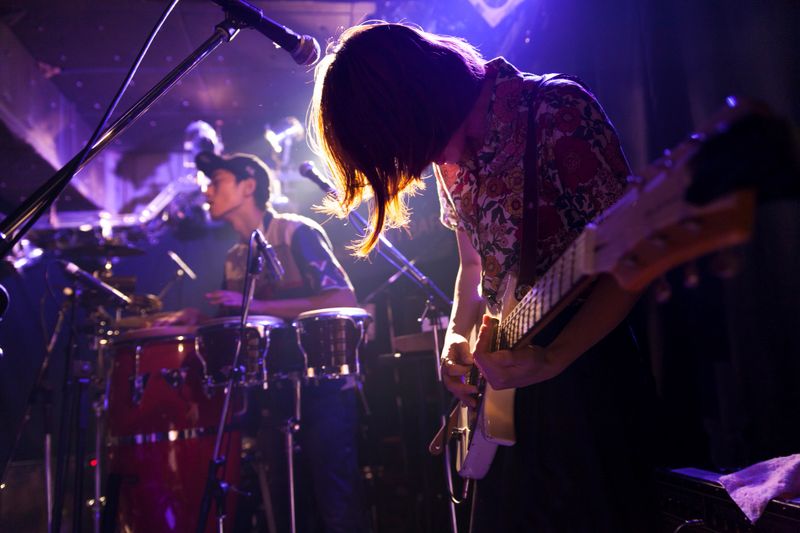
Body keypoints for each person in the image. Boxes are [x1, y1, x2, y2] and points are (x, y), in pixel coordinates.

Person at [309, 22, 656, 531]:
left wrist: (554, 357)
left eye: (413, 146)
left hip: (587, 383)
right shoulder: (449, 155)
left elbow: (635, 254)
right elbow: (473, 266)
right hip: (509, 394)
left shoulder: (555, 112)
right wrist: (456, 337)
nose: (425, 163)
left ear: (420, 104)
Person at [160, 151, 368, 533]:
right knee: (287, 511)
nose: (208, 192)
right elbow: (241, 320)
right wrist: (202, 321)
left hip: (321, 390)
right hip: (271, 398)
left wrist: (256, 304)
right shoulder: (235, 257)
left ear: (249, 185)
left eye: (217, 181)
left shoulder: (295, 231)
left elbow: (342, 299)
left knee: (337, 508)